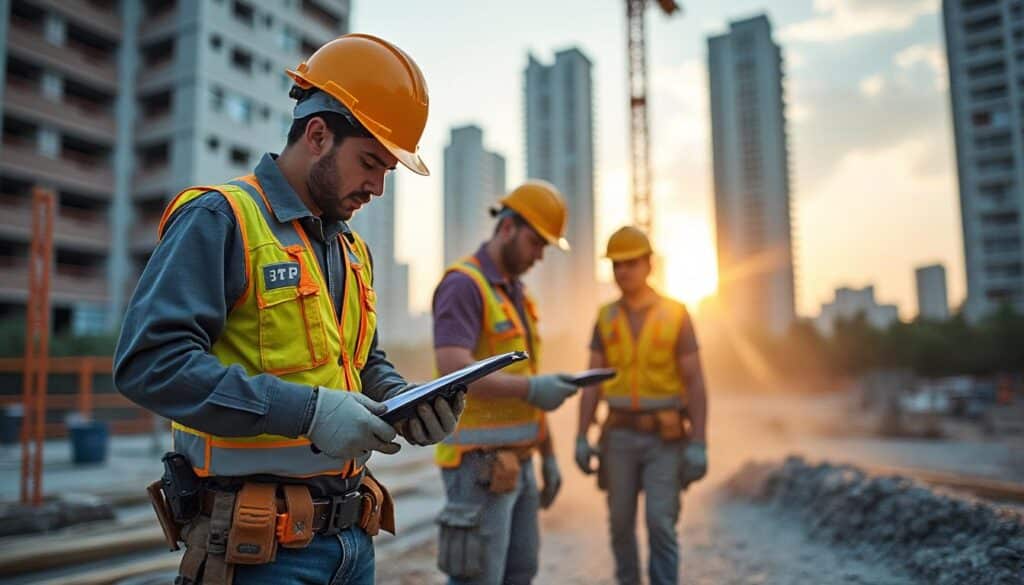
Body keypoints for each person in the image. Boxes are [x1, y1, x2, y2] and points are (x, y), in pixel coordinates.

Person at [114, 34, 464, 585]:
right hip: (259, 550)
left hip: (353, 540)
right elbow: (150, 364)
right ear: (318, 135)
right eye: (369, 163)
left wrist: (401, 398)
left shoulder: (350, 250)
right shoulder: (221, 218)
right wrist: (309, 413)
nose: (376, 186)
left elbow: (360, 357)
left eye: (386, 173)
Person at [431, 181, 580, 585]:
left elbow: (526, 383)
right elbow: (453, 366)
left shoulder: (518, 296)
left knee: (520, 574)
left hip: (520, 461)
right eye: (536, 243)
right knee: (479, 579)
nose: (539, 256)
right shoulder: (464, 284)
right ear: (509, 227)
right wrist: (534, 390)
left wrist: (548, 455)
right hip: (477, 467)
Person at [575, 226, 709, 585]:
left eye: (631, 263)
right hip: (617, 437)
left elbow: (695, 381)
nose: (623, 271)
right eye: (617, 264)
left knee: (660, 523)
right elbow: (592, 382)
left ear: (649, 264)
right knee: (620, 525)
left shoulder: (677, 313)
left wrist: (698, 442)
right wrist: (581, 435)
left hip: (664, 439)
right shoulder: (605, 317)